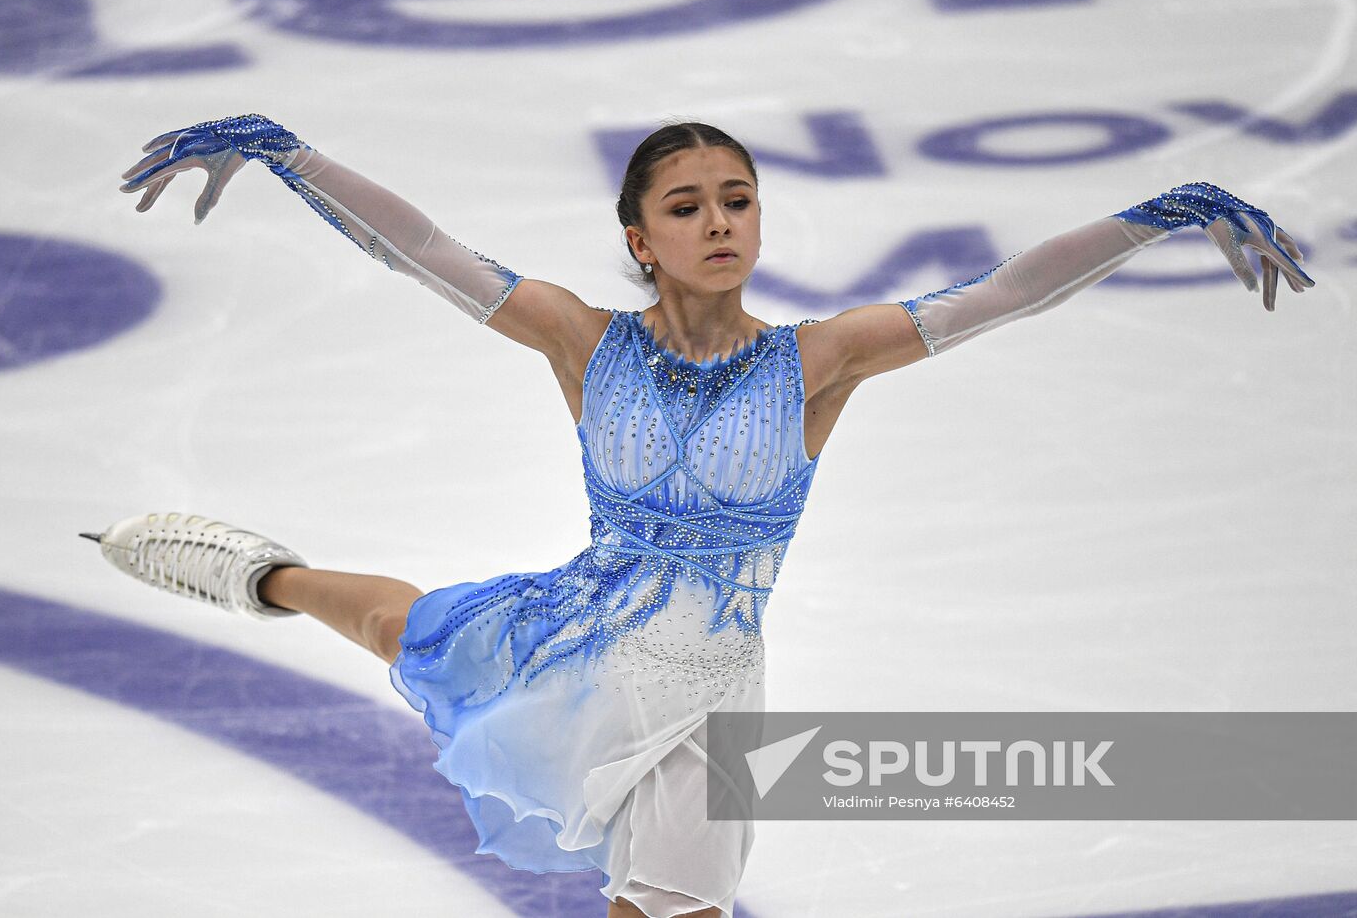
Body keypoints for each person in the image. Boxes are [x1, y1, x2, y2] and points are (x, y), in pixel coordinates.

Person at [83, 113, 1315, 918]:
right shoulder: (580, 338)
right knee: (401, 629)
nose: (718, 221)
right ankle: (256, 571)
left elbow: (999, 296)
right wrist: (289, 156)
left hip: (710, 697)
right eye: (685, 206)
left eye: (737, 199)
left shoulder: (821, 359)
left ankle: (266, 574)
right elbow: (424, 250)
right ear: (641, 239)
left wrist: (1157, 215)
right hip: (580, 638)